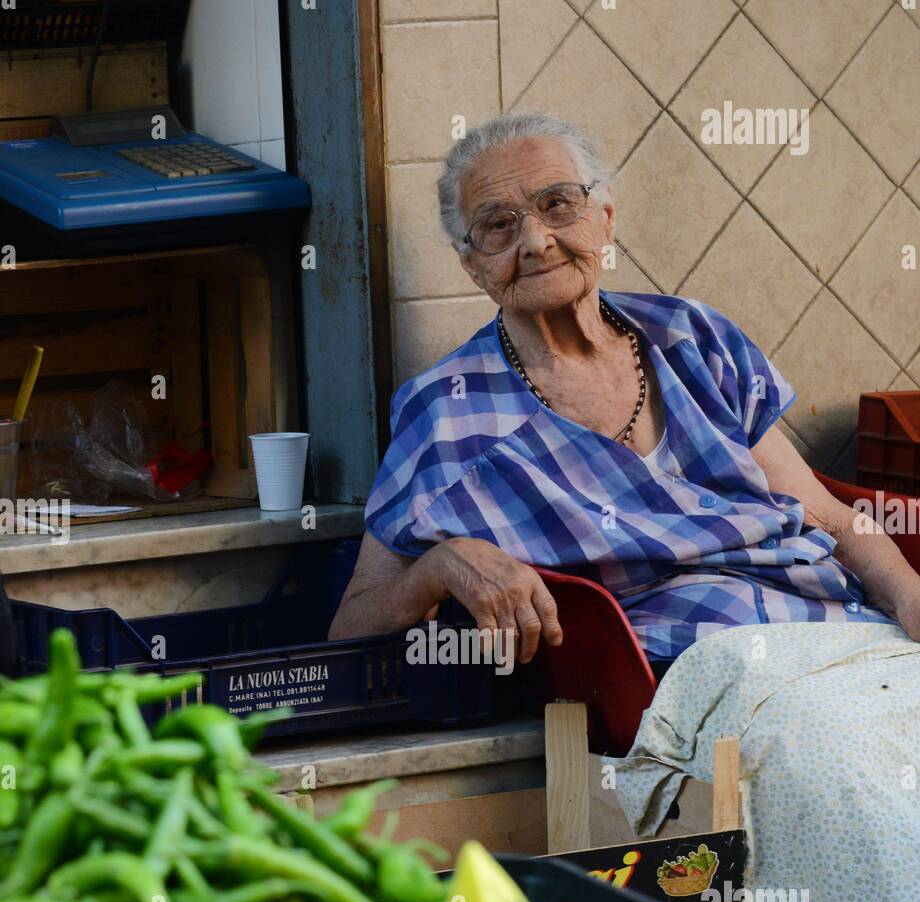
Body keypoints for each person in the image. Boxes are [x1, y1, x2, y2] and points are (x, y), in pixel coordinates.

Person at [330, 111, 920, 670]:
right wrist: (437, 568)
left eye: (557, 204)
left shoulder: (693, 337)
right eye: (498, 225)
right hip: (679, 675)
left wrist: (910, 596)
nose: (535, 240)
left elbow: (828, 517)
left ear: (605, 217)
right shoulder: (444, 410)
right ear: (472, 265)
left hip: (837, 633)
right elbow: (350, 628)